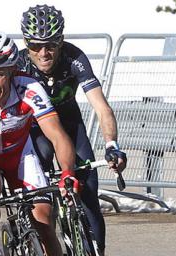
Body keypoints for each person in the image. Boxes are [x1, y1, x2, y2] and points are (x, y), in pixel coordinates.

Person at [0, 32, 78, 256]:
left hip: (20, 154)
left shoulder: (29, 88)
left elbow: (57, 135)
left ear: (11, 71)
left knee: (44, 220)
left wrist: (67, 172)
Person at [17, 4, 127, 254]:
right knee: (43, 158)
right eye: (35, 45)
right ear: (25, 43)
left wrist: (112, 144)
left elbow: (101, 107)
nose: (44, 53)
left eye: (51, 45)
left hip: (69, 123)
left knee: (88, 193)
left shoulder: (74, 58)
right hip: (36, 129)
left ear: (61, 41)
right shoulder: (19, 64)